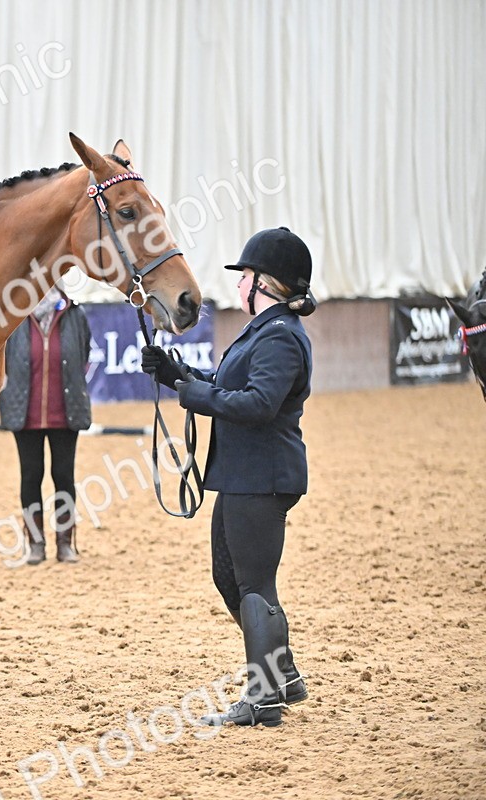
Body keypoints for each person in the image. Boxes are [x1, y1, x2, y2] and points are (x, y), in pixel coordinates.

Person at [142, 227, 316, 727]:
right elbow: (225, 385)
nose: (239, 284)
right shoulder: (264, 331)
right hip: (243, 475)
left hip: (262, 477)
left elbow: (259, 404)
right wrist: (175, 375)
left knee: (254, 584)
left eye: (245, 276)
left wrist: (195, 396)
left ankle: (263, 697)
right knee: (228, 577)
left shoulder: (280, 336)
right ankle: (283, 674)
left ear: (265, 283)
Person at [0, 286, 93, 565]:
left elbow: (84, 354)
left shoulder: (75, 313)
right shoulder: (15, 316)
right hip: (24, 413)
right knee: (31, 477)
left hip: (66, 412)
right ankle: (35, 544)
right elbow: (4, 359)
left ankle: (65, 544)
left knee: (64, 476)